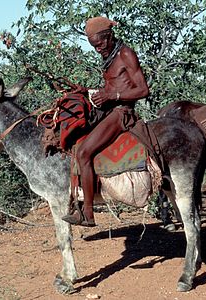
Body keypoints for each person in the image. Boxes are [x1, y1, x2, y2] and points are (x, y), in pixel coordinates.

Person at [62, 16, 149, 227]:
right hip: (110, 110)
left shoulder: (125, 54)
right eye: (94, 46)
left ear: (109, 36)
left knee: (84, 153)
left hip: (122, 113)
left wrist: (113, 97)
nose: (97, 49)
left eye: (100, 44)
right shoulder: (109, 57)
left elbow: (143, 89)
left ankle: (88, 214)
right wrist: (88, 92)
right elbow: (112, 88)